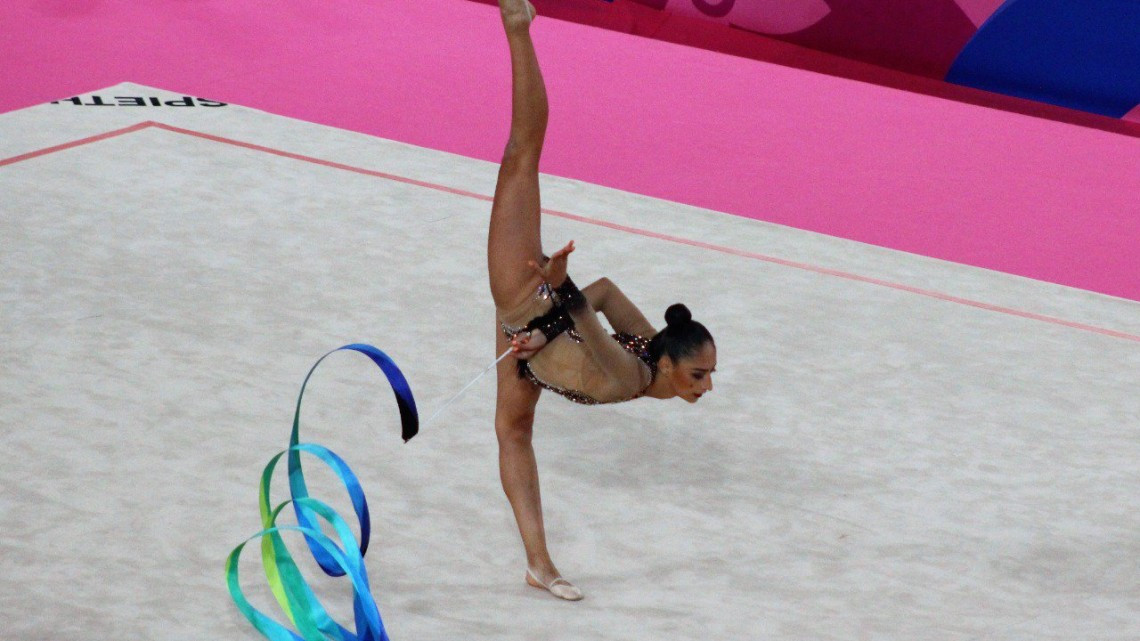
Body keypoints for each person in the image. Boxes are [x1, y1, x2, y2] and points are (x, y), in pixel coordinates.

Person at [489, 0, 717, 601]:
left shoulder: (650, 351)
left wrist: (548, 324)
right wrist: (554, 299)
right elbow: (599, 302)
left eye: (708, 376)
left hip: (531, 344)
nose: (706, 386)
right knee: (522, 155)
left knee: (514, 433)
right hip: (526, 301)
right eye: (700, 373)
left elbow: (601, 302)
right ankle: (516, 27)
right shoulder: (629, 374)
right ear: (668, 362)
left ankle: (540, 564)